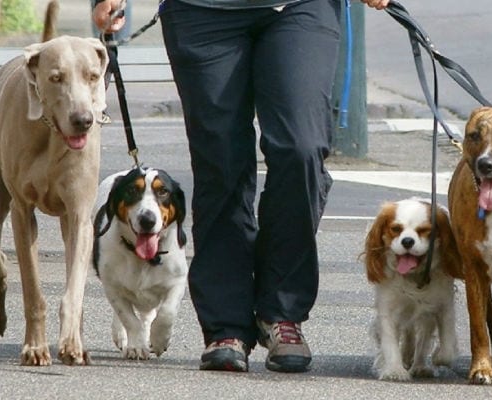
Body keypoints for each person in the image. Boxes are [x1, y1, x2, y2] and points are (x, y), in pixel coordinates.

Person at [93, 0, 390, 373]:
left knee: (301, 148)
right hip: (200, 11)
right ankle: (226, 325)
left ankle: (282, 313)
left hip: (300, 8)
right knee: (220, 162)